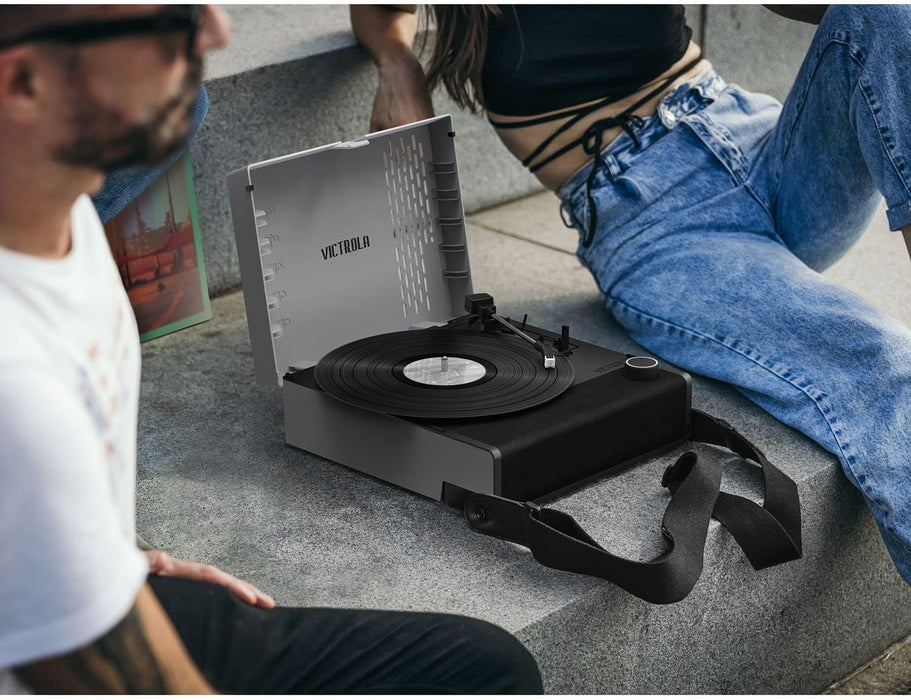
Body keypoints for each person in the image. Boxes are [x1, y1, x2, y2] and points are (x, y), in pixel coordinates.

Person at [0, 5, 543, 693]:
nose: (218, 32)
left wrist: (102, 556)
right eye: (171, 20)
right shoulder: (15, 385)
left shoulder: (48, 193)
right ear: (23, 83)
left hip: (92, 589)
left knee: (484, 665)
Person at [350, 4, 911, 584]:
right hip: (657, 223)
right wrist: (398, 68)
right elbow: (377, 10)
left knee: (883, 11)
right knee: (881, 363)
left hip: (761, 142)